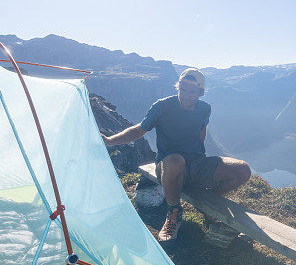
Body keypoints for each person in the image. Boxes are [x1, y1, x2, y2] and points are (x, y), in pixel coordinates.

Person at [102, 68, 251, 242]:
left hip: (196, 164)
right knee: (175, 161)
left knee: (243, 170)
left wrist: (198, 157)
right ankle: (173, 213)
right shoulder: (162, 106)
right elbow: (139, 130)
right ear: (178, 87)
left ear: (200, 93)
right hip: (168, 165)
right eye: (183, 90)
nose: (186, 95)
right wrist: (110, 141)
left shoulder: (204, 109)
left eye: (192, 92)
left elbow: (202, 129)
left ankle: (209, 203)